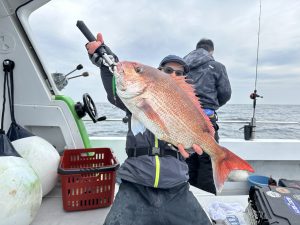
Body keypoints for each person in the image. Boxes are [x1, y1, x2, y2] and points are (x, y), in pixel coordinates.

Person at [86, 33, 212, 225]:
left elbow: (193, 138)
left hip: (176, 187)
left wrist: (195, 144)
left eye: (180, 73)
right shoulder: (134, 100)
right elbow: (116, 83)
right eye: (168, 70)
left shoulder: (183, 106)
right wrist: (104, 60)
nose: (174, 75)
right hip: (135, 184)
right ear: (157, 73)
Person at [183, 38, 232, 195]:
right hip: (206, 120)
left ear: (196, 49)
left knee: (188, 158)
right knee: (208, 161)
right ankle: (207, 201)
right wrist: (210, 107)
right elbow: (225, 94)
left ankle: (188, 197)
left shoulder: (182, 65)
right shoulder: (217, 66)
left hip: (185, 119)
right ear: (211, 51)